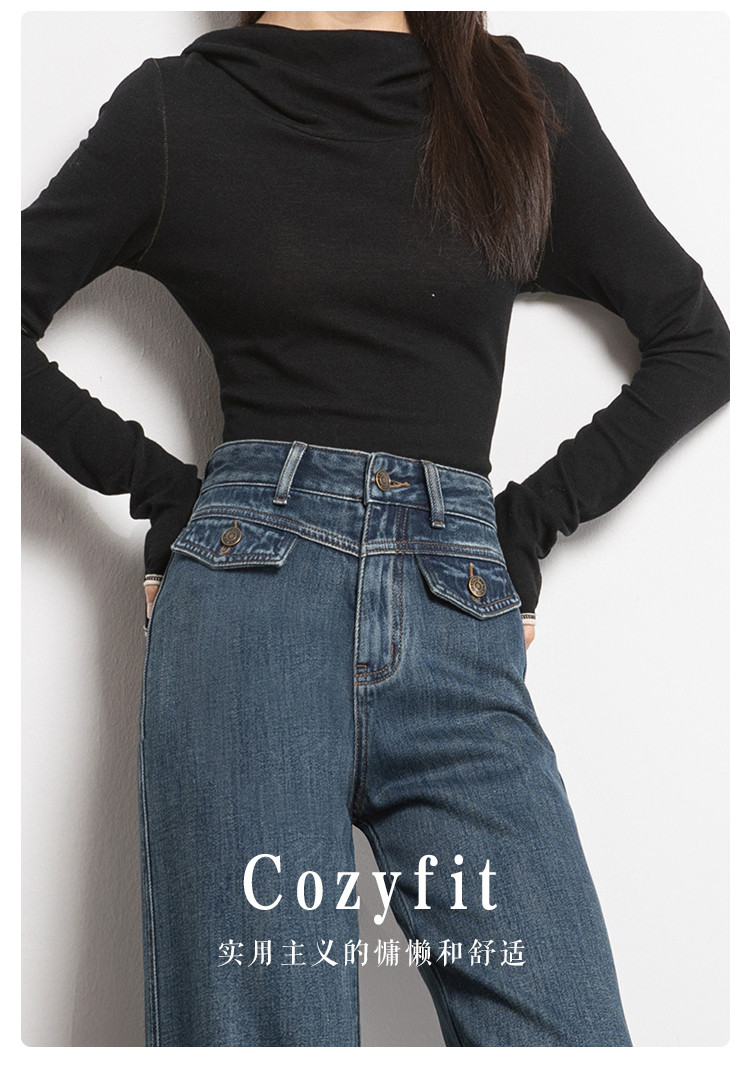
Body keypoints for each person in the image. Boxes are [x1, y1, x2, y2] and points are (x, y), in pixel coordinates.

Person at [21, 9, 729, 1048]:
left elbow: (695, 343)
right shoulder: (178, 109)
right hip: (246, 613)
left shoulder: (515, 107)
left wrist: (520, 529)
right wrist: (166, 494)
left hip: (455, 618)